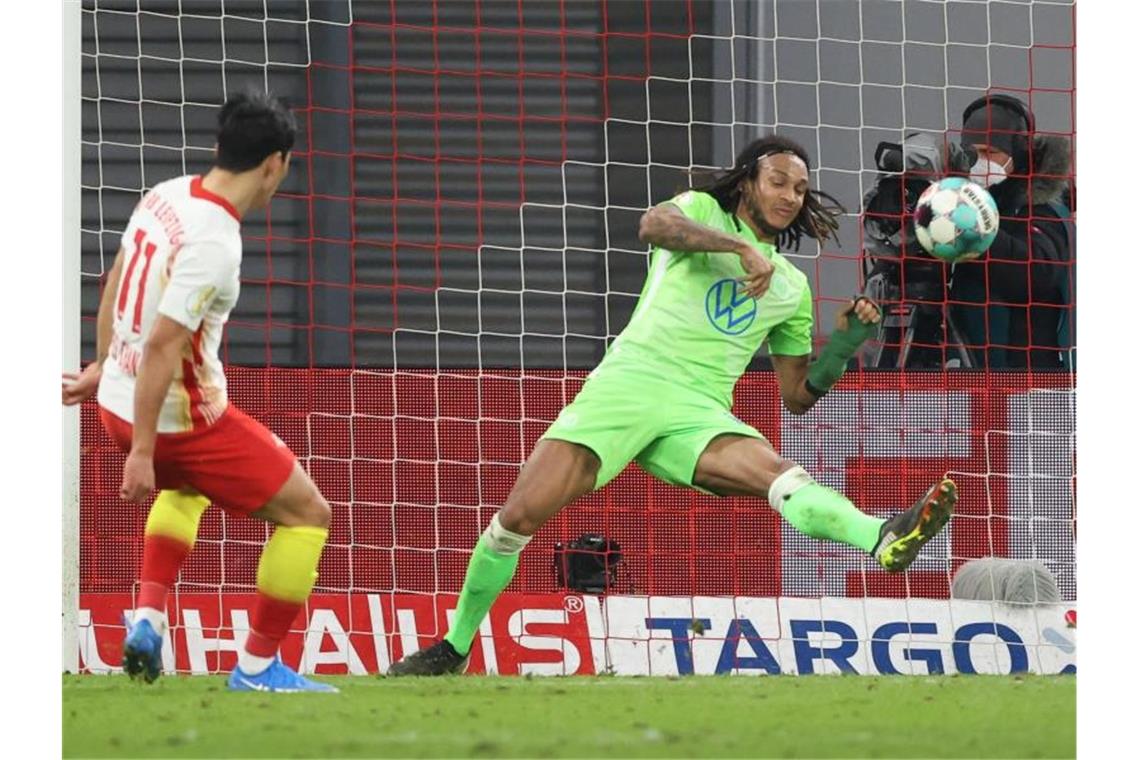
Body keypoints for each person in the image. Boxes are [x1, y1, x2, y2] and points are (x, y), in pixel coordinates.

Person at [387, 135, 958, 676]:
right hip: (628, 385)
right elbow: (653, 223)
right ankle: (456, 644)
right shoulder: (703, 214)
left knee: (782, 477)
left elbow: (796, 397)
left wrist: (844, 346)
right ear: (747, 186)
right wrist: (740, 248)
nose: (789, 197)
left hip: (699, 410)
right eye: (778, 182)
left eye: (800, 189)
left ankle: (881, 538)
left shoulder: (790, 288)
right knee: (516, 521)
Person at [62, 91, 337, 693]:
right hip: (173, 420)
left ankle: (149, 619)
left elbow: (114, 281)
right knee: (308, 514)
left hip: (118, 398)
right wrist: (140, 453)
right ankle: (258, 668)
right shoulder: (216, 240)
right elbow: (164, 343)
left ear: (219, 148)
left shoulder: (167, 195)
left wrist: (101, 364)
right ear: (275, 164)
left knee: (186, 489)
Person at [950, 94, 1074, 369]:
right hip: (974, 364)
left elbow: (1035, 274)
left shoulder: (1044, 207)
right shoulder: (961, 200)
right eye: (973, 153)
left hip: (1029, 374)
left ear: (1018, 154)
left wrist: (971, 231)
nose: (981, 162)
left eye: (991, 153)